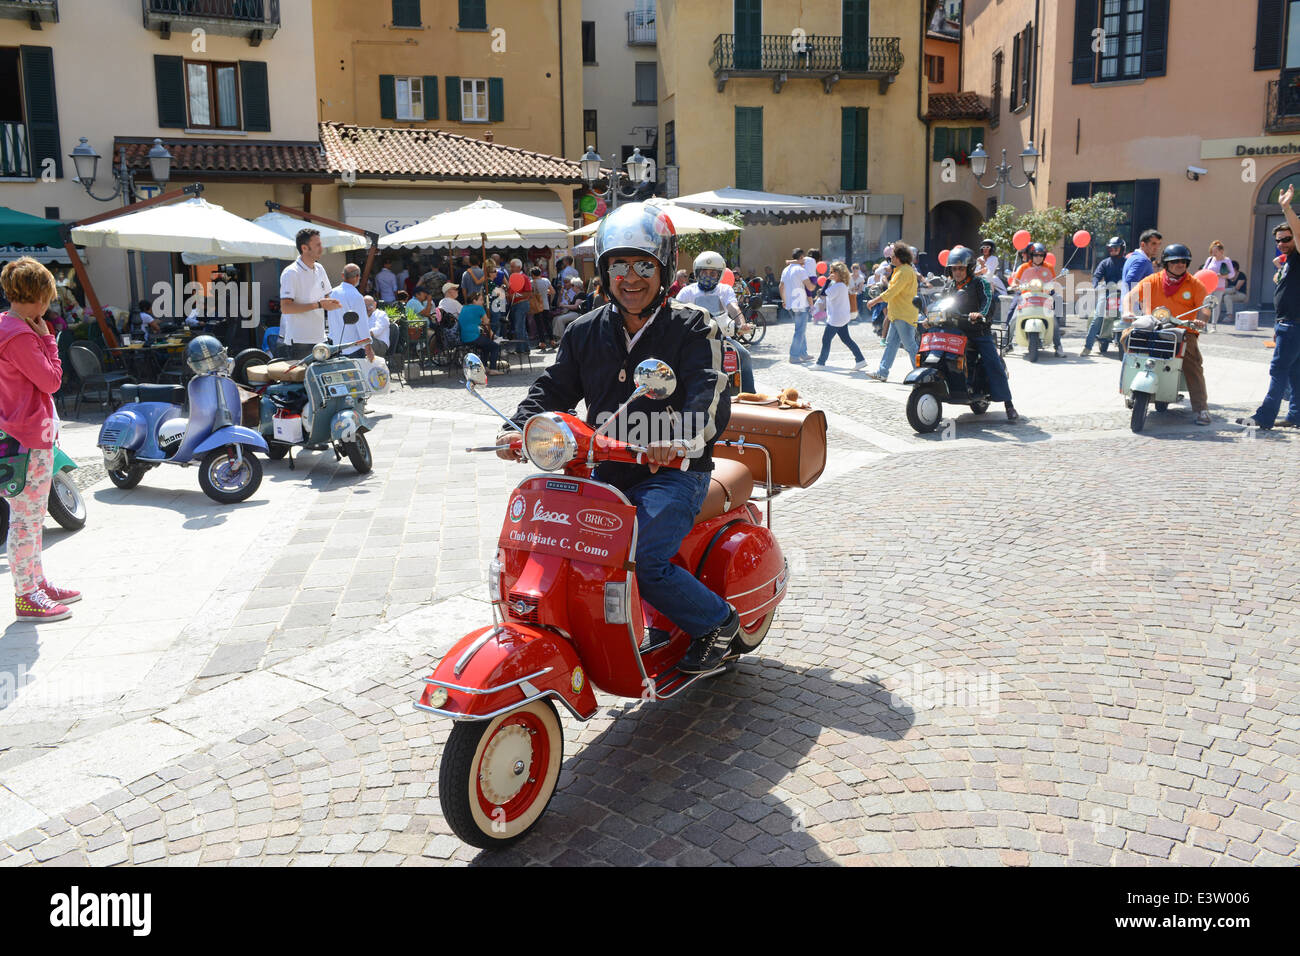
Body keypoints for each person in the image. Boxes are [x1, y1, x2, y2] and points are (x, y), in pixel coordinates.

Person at [494, 202, 737, 673]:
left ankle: (717, 622)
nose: (631, 277)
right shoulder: (585, 331)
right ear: (604, 271)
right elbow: (552, 388)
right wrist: (519, 426)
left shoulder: (693, 326)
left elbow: (709, 394)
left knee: (641, 557)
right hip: (603, 470)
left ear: (663, 269)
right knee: (550, 540)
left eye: (644, 265)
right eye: (619, 265)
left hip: (673, 474)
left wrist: (682, 439)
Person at [0, 258, 79, 621]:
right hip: (26, 435)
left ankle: (36, 582)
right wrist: (48, 338)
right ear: (41, 297)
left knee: (30, 515)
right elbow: (51, 382)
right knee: (26, 519)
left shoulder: (6, 326)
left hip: (21, 432)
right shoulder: (19, 335)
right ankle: (27, 595)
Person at [1122, 243, 1212, 425]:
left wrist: (1201, 320)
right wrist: (1127, 311)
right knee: (1126, 337)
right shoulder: (1153, 280)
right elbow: (1130, 297)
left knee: (1193, 363)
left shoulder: (1195, 285)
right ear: (1166, 263)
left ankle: (1202, 408)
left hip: (1183, 329)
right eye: (1175, 261)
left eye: (1184, 261)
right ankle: (1129, 384)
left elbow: (1205, 307)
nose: (1180, 265)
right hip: (1153, 326)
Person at [1238, 196, 1300, 430]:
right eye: (1278, 240)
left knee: (1279, 370)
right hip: (1288, 324)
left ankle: (1265, 417)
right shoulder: (1289, 262)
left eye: (1287, 238)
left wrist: (1286, 208)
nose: (1282, 243)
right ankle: (1296, 415)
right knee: (1295, 372)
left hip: (1293, 325)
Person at [946, 246, 1019, 422]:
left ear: (969, 268)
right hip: (957, 331)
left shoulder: (980, 283)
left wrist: (980, 314)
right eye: (954, 268)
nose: (957, 272)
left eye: (961, 268)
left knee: (993, 362)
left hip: (978, 331)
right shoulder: (950, 287)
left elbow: (988, 301)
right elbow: (942, 303)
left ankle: (1009, 405)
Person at [675, 251, 756, 392]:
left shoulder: (725, 290)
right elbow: (677, 314)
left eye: (713, 273)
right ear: (697, 272)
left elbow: (733, 307)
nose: (708, 276)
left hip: (723, 337)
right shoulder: (687, 292)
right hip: (695, 340)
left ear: (720, 275)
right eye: (704, 272)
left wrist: (741, 324)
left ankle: (749, 395)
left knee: (744, 355)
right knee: (679, 361)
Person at [278, 229, 339, 360]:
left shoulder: (320, 269)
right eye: (317, 245)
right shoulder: (291, 273)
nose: (322, 248)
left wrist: (331, 303)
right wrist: (318, 305)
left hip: (320, 338)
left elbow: (327, 298)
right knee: (304, 380)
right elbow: (286, 308)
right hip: (299, 341)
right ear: (304, 248)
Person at [865, 242, 921, 382]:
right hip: (897, 314)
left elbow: (892, 292)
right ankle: (883, 372)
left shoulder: (904, 271)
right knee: (891, 344)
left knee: (910, 346)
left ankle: (921, 374)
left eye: (893, 257)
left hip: (904, 314)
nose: (891, 259)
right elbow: (892, 290)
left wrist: (874, 301)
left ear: (900, 257)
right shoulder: (901, 270)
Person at [1009, 242, 1064, 357]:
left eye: (1041, 255)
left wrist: (1051, 286)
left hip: (1043, 297)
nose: (1038, 257)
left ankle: (1058, 347)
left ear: (1044, 256)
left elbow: (1052, 280)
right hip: (1026, 297)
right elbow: (1016, 280)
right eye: (1035, 255)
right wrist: (1014, 285)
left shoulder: (1048, 267)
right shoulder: (1024, 267)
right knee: (1014, 318)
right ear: (1031, 255)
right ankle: (1006, 344)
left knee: (1053, 320)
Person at [814, 261, 867, 370]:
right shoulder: (840, 285)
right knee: (846, 339)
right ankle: (860, 360)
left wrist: (828, 280)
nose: (830, 273)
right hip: (840, 317)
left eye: (833, 271)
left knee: (826, 339)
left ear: (839, 273)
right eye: (830, 271)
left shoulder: (838, 286)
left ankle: (820, 363)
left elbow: (823, 293)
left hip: (836, 318)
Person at [1083, 236, 1127, 356]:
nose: (1112, 251)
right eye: (1110, 249)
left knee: (1132, 317)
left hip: (1124, 294)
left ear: (1122, 249)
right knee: (1097, 318)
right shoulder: (1105, 263)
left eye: (1115, 248)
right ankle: (1088, 347)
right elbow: (1097, 275)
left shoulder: (1127, 263)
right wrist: (1095, 284)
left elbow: (1132, 275)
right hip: (1107, 292)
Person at [325, 263, 371, 359]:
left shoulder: (332, 293)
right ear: (358, 277)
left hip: (335, 346)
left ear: (342, 275)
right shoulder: (356, 296)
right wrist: (368, 348)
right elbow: (362, 324)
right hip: (353, 347)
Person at [780, 247, 814, 363]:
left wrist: (784, 300)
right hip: (800, 303)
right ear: (800, 258)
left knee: (800, 329)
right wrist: (816, 283)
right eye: (803, 258)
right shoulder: (800, 270)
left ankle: (803, 353)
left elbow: (781, 287)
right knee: (800, 330)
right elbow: (809, 286)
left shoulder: (785, 270)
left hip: (791, 303)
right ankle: (794, 355)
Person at [458, 288, 502, 373]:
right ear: (474, 300)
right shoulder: (479, 308)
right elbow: (486, 322)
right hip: (473, 337)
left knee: (485, 346)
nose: (483, 302)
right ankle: (493, 369)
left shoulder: (464, 308)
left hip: (464, 338)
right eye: (481, 300)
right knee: (495, 346)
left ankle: (484, 367)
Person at [1202, 241, 1236, 326]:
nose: (1214, 254)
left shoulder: (1226, 260)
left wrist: (1224, 276)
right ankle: (1204, 324)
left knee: (1216, 305)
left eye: (1216, 252)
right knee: (1206, 305)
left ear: (1221, 251)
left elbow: (1232, 273)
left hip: (1219, 286)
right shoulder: (1209, 259)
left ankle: (1214, 325)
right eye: (1212, 252)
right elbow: (1204, 270)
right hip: (1209, 285)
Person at [552, 276, 587, 342]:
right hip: (572, 313)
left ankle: (562, 339)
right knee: (555, 319)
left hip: (577, 313)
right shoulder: (577, 295)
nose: (571, 287)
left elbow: (575, 306)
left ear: (577, 286)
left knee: (560, 319)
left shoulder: (581, 294)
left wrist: (565, 306)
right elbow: (572, 305)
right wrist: (567, 302)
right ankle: (557, 337)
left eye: (572, 285)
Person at [505, 259, 532, 344]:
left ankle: (521, 348)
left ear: (519, 267)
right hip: (515, 304)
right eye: (511, 267)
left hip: (521, 304)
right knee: (520, 327)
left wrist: (515, 295)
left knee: (519, 327)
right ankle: (524, 348)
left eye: (513, 267)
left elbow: (528, 293)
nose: (511, 269)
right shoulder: (512, 277)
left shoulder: (524, 277)